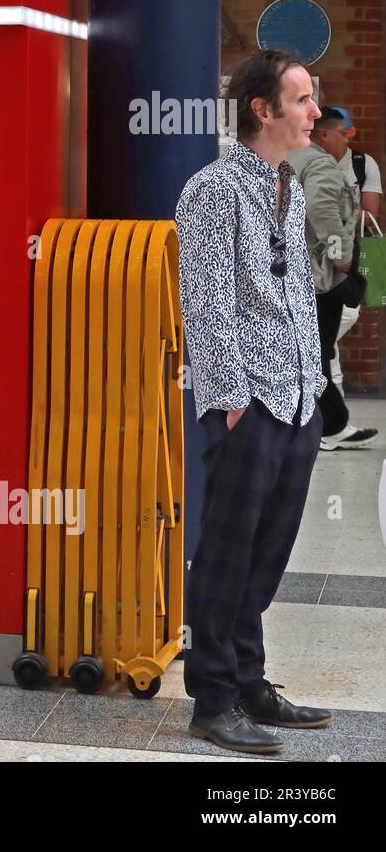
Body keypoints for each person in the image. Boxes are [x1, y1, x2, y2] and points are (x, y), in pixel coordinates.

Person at [176, 49, 332, 755]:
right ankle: (213, 695)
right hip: (248, 401)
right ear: (261, 110)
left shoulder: (287, 186)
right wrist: (232, 399)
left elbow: (296, 289)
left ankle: (249, 677)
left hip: (297, 398)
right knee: (227, 552)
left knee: (267, 550)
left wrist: (316, 382)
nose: (315, 112)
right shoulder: (213, 190)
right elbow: (205, 304)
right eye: (301, 99)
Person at [292, 109, 379, 450]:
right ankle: (331, 426)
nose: (347, 138)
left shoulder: (289, 158)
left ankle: (327, 424)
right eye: (343, 133)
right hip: (321, 279)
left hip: (296, 274)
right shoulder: (320, 164)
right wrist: (341, 258)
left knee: (311, 354)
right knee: (317, 354)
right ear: (324, 135)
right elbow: (323, 211)